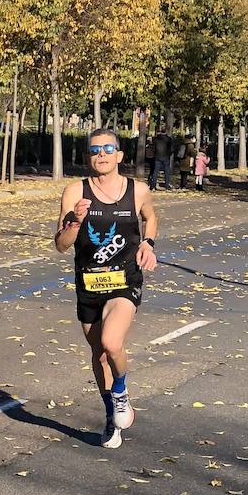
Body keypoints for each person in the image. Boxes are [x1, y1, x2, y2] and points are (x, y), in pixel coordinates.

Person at [55, 129, 158, 449]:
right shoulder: (75, 191)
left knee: (111, 342)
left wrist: (148, 244)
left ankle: (122, 391)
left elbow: (150, 218)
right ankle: (111, 413)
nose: (101, 154)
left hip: (125, 280)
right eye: (95, 149)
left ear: (119, 155)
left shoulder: (137, 190)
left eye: (108, 148)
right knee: (98, 355)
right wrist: (74, 222)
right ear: (89, 156)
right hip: (88, 283)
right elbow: (61, 245)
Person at [147, 125, 173, 191]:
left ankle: (153, 186)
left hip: (157, 157)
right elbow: (171, 149)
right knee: (166, 172)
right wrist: (168, 154)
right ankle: (167, 186)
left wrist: (155, 153)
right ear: (166, 131)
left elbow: (153, 148)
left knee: (155, 172)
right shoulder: (169, 139)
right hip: (166, 157)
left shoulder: (156, 139)